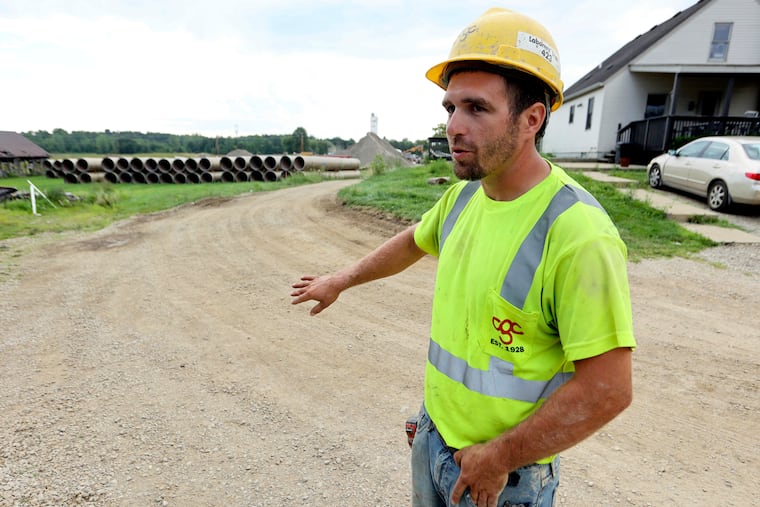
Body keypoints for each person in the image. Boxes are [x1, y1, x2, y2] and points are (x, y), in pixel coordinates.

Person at [291, 7, 636, 507]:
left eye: (476, 108)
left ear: (531, 119)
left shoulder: (578, 233)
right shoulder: (464, 197)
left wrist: (498, 456)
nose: (453, 125)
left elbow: (608, 390)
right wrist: (341, 279)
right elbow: (413, 240)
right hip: (434, 440)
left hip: (503, 477)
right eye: (451, 106)